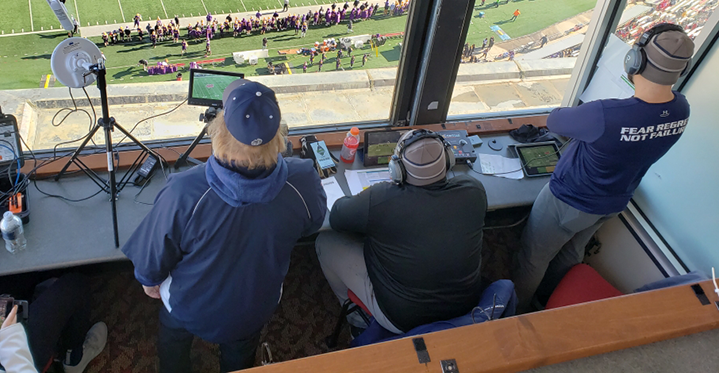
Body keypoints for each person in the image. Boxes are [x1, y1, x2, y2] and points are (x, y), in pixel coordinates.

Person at [122, 80, 326, 373]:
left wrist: (148, 280)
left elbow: (150, 262)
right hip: (255, 307)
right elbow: (312, 225)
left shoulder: (184, 190)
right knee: (241, 349)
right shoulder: (304, 179)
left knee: (173, 338)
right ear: (279, 136)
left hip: (188, 306)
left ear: (218, 132)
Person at [513, 24, 695, 312]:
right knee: (571, 253)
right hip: (613, 202)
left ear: (635, 61)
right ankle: (547, 303)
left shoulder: (605, 114)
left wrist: (606, 110)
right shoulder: (681, 109)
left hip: (569, 200)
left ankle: (516, 313)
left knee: (533, 258)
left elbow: (555, 120)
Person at [317, 129, 487, 334]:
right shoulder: (474, 190)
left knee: (324, 241)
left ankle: (357, 322)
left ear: (397, 170)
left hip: (402, 318)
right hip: (465, 306)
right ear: (448, 159)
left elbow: (337, 217)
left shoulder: (381, 199)